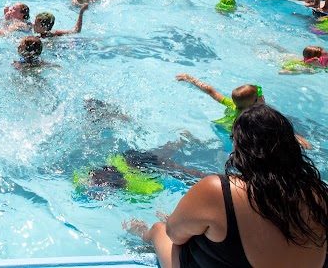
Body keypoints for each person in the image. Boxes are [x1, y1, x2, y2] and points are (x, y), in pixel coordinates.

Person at [129, 104, 326, 267]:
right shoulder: (317, 193)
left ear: (240, 146)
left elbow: (175, 235)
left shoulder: (219, 189)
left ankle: (141, 234)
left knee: (160, 229)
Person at [173, 74, 311, 150]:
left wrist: (191, 79)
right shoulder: (257, 118)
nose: (263, 97)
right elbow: (277, 129)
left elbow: (211, 91)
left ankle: (193, 140)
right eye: (260, 96)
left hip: (219, 127)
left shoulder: (232, 104)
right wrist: (297, 138)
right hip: (234, 135)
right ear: (255, 103)